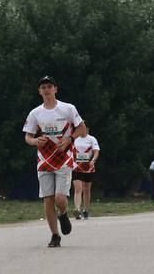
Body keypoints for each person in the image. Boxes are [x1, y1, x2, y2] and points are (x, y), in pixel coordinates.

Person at [23, 75, 88, 248]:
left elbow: (81, 128)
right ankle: (54, 235)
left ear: (55, 89)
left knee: (60, 198)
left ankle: (64, 213)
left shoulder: (67, 109)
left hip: (64, 158)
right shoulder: (35, 113)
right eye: (43, 87)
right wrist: (35, 141)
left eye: (49, 86)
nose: (46, 90)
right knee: (48, 198)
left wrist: (70, 139)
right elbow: (28, 137)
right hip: (44, 160)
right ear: (39, 91)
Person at [72, 132, 100, 218]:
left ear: (87, 129)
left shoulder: (91, 139)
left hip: (88, 167)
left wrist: (93, 160)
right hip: (76, 167)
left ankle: (86, 210)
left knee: (87, 190)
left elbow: (96, 151)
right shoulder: (74, 138)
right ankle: (77, 210)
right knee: (78, 189)